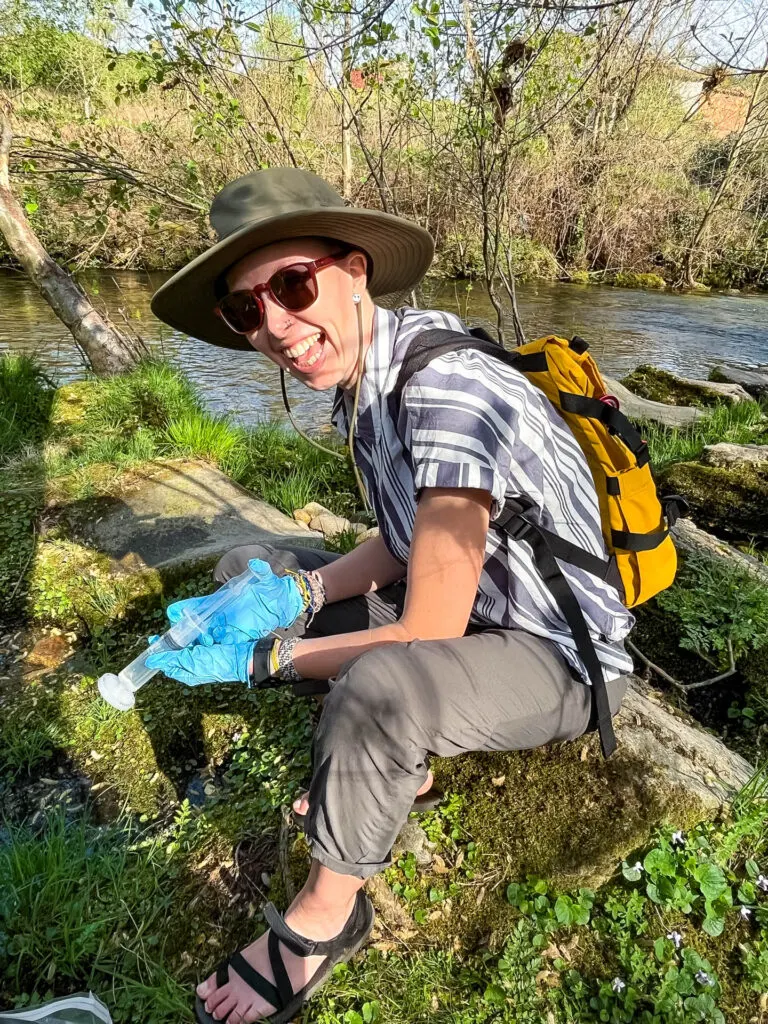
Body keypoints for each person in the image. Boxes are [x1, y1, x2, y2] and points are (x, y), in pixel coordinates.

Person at [149, 167, 634, 1024]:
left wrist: (270, 656)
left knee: (377, 688)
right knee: (250, 573)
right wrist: (290, 594)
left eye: (293, 285)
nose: (277, 326)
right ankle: (393, 775)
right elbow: (405, 542)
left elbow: (423, 630)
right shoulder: (365, 383)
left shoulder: (442, 387)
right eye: (246, 308)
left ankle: (326, 916)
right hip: (475, 612)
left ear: (356, 268)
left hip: (555, 652)